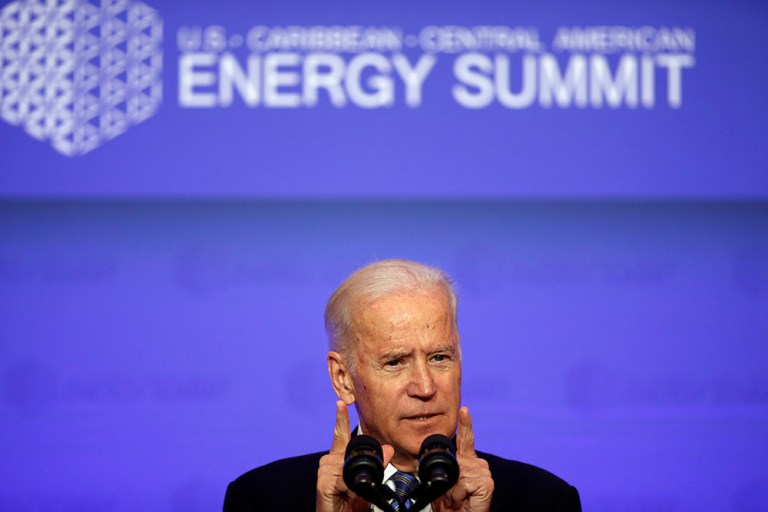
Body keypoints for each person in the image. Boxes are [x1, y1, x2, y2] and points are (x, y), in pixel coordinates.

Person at [224, 259, 581, 511]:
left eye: (440, 357)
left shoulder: (544, 501)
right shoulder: (260, 499)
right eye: (395, 362)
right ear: (343, 379)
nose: (425, 387)